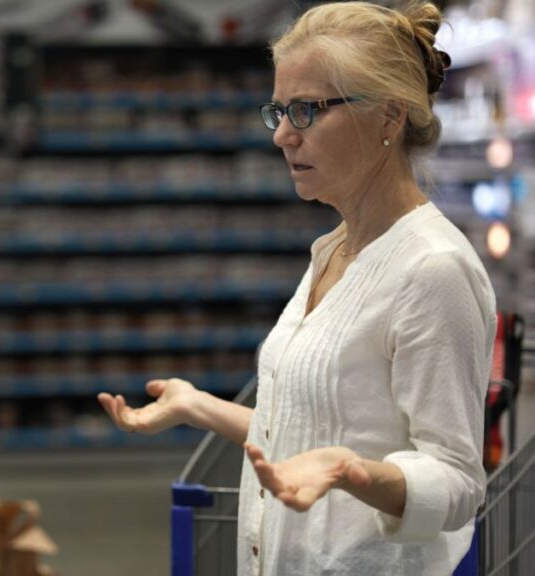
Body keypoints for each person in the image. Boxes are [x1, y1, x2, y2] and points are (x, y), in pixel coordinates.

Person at [97, 2, 496, 574]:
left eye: (307, 111)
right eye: (279, 111)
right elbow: (315, 426)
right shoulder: (334, 248)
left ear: (389, 118)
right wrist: (200, 406)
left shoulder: (433, 270)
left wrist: (353, 472)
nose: (282, 135)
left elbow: (459, 481)